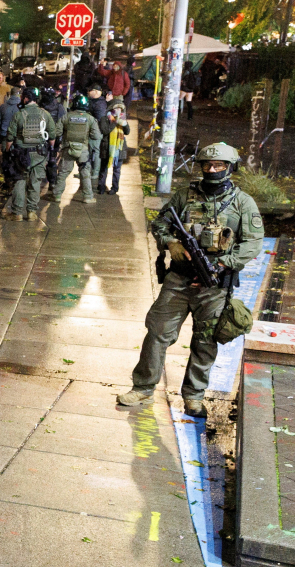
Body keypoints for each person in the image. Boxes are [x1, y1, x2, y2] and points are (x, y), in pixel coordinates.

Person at [119, 143, 264, 417]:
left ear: (230, 167)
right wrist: (171, 242)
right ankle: (142, 387)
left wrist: (223, 264)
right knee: (157, 334)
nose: (212, 169)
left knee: (205, 342)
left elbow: (252, 243)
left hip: (214, 286)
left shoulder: (243, 203)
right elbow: (160, 222)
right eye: (207, 165)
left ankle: (194, 397)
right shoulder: (185, 196)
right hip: (179, 280)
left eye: (219, 165)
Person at [4, 87, 58, 221]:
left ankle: (16, 213)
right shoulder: (45, 114)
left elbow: (10, 137)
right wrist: (51, 152)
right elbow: (52, 136)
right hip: (39, 155)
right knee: (35, 182)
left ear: (26, 98)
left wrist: (7, 152)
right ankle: (32, 212)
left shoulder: (19, 114)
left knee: (19, 181)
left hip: (21, 156)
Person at [49, 94, 100, 204]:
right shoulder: (90, 119)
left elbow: (56, 132)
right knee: (85, 173)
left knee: (63, 173)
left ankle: (57, 195)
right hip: (83, 151)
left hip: (68, 149)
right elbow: (96, 136)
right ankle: (88, 197)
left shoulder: (66, 116)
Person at [98, 101, 130, 195]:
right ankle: (101, 187)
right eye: (116, 108)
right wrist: (115, 122)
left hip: (119, 148)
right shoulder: (104, 119)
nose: (118, 110)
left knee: (117, 170)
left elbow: (127, 132)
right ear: (112, 109)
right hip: (106, 147)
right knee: (104, 168)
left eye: (120, 109)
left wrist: (124, 124)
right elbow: (105, 130)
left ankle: (114, 188)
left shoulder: (123, 119)